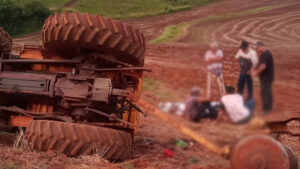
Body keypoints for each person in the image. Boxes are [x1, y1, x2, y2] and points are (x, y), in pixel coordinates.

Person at [251, 41, 274, 114]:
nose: (257, 50)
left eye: (257, 48)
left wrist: (255, 73)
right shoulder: (267, 53)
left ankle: (265, 110)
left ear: (261, 47)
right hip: (269, 76)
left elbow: (263, 66)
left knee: (264, 93)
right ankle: (269, 108)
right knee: (268, 92)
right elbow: (261, 63)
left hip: (266, 77)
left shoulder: (265, 55)